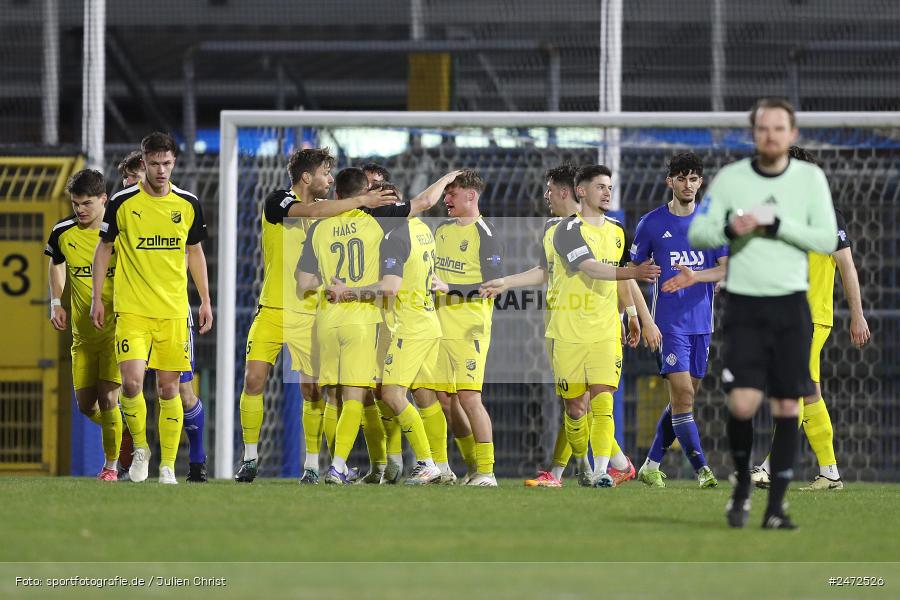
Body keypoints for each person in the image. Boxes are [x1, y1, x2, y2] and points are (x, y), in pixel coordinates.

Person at [688, 98, 838, 529]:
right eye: (763, 129)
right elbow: (700, 231)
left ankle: (776, 508)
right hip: (746, 305)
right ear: (754, 134)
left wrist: (777, 225)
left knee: (789, 404)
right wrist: (731, 229)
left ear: (792, 135)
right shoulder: (732, 179)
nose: (770, 135)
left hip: (793, 306)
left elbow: (828, 239)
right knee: (742, 402)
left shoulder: (810, 180)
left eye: (779, 128)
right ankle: (741, 491)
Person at [479, 165, 658, 487]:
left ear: (568, 191)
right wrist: (505, 282)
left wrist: (633, 314)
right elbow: (558, 271)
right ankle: (597, 465)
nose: (607, 192)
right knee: (575, 407)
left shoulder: (616, 231)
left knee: (602, 401)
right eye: (600, 186)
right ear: (581, 191)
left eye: (609, 187)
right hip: (564, 330)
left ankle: (599, 470)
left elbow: (618, 275)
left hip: (603, 329)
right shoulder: (559, 230)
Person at [233, 148, 399, 483]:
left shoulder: (336, 219)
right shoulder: (278, 201)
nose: (328, 179)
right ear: (307, 177)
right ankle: (249, 458)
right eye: (325, 172)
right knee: (253, 379)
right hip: (273, 308)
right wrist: (362, 200)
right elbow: (314, 210)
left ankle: (312, 464)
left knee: (314, 391)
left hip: (312, 313)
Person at [296, 167, 457, 485]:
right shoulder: (393, 227)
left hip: (332, 320)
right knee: (383, 395)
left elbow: (303, 283)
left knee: (339, 397)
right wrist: (448, 177)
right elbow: (423, 201)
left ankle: (344, 465)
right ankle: (431, 464)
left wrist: (332, 284)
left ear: (337, 195)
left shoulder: (320, 228)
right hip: (373, 319)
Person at [91, 132, 213, 485]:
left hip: (174, 311)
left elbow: (195, 253)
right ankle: (142, 449)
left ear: (174, 163)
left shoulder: (187, 203)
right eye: (154, 163)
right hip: (132, 309)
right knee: (130, 384)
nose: (161, 170)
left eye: (167, 163)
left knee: (168, 389)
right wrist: (98, 298)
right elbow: (104, 249)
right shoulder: (122, 202)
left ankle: (168, 466)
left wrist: (205, 300)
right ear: (143, 162)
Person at [750, 145, 871, 491]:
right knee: (811, 392)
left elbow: (846, 267)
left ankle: (771, 466)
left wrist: (857, 316)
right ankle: (830, 471)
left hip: (811, 318)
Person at [631, 152, 727, 489]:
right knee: (684, 396)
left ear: (700, 182)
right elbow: (631, 272)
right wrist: (640, 318)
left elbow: (726, 268)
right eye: (681, 178)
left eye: (693, 178)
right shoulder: (651, 224)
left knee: (683, 401)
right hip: (668, 325)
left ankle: (650, 464)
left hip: (702, 324)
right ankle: (703, 470)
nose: (688, 185)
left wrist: (697, 276)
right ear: (670, 180)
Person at [46, 169, 122, 481]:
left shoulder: (119, 232)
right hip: (82, 335)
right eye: (76, 203)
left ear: (103, 199)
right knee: (86, 405)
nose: (80, 210)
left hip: (118, 331)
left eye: (87, 203)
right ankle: (125, 430)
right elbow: (56, 261)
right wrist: (55, 301)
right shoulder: (63, 231)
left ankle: (111, 467)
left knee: (108, 398)